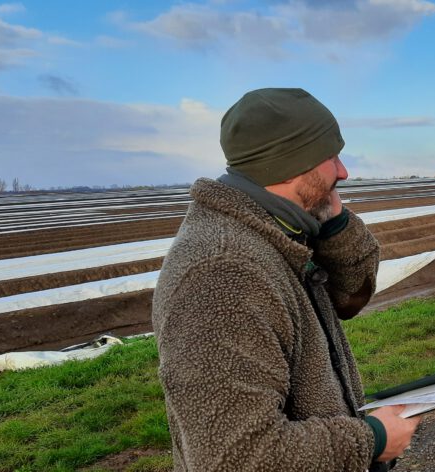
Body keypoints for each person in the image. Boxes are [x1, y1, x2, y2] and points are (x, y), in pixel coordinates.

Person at [152, 88, 419, 471]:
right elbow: (235, 458)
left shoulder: (277, 229)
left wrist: (334, 222)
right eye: (330, 157)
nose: (343, 171)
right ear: (291, 162)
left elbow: (350, 296)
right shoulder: (222, 272)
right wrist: (372, 439)